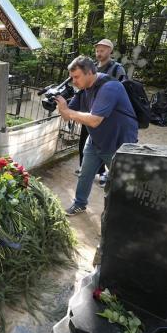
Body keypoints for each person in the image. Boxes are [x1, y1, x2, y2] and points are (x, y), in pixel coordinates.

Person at [56, 56, 138, 216]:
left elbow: (94, 121)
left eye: (76, 77)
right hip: (96, 139)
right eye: (71, 77)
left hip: (118, 143)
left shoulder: (110, 87)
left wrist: (68, 112)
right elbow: (67, 116)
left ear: (90, 73)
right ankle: (79, 204)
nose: (73, 81)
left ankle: (117, 217)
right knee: (85, 173)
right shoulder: (84, 89)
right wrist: (60, 104)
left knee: (120, 182)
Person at [76, 39, 128, 187]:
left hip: (107, 115)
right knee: (86, 140)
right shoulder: (91, 67)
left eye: (102, 50)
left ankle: (106, 173)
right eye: (97, 50)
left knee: (108, 145)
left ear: (110, 51)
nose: (99, 53)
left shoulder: (117, 69)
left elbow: (122, 89)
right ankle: (86, 168)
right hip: (89, 111)